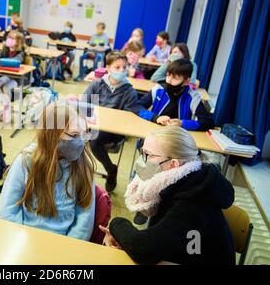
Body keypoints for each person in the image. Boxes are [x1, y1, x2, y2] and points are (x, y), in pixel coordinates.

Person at [100, 126, 236, 265]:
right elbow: (160, 240)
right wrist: (126, 241)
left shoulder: (193, 202)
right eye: (142, 152)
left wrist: (116, 224)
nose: (142, 160)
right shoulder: (183, 182)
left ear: (173, 165)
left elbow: (145, 250)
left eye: (149, 155)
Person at [0, 103, 96, 241]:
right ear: (52, 135)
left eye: (84, 133)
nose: (80, 141)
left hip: (64, 243)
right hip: (23, 237)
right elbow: (7, 209)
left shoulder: (84, 166)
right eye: (74, 135)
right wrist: (19, 240)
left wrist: (70, 246)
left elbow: (84, 218)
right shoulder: (26, 161)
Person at [83, 51, 138, 192]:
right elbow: (84, 104)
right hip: (93, 125)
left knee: (94, 140)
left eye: (124, 68)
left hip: (113, 131)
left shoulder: (129, 91)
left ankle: (111, 170)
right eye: (117, 67)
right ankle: (75, 170)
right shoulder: (97, 85)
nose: (121, 70)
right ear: (108, 67)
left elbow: (127, 117)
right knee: (68, 134)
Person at [134, 59, 214, 131]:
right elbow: (136, 106)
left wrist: (182, 123)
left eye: (175, 78)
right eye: (168, 76)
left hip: (177, 137)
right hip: (154, 133)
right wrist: (155, 118)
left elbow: (208, 122)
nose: (169, 81)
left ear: (186, 81)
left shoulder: (192, 97)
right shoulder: (159, 89)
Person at [0, 30, 26, 121]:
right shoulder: (5, 49)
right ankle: (1, 106)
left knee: (6, 87)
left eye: (12, 38)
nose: (9, 40)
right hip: (7, 75)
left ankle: (7, 111)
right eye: (9, 37)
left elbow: (15, 62)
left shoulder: (21, 52)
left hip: (18, 78)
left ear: (18, 41)